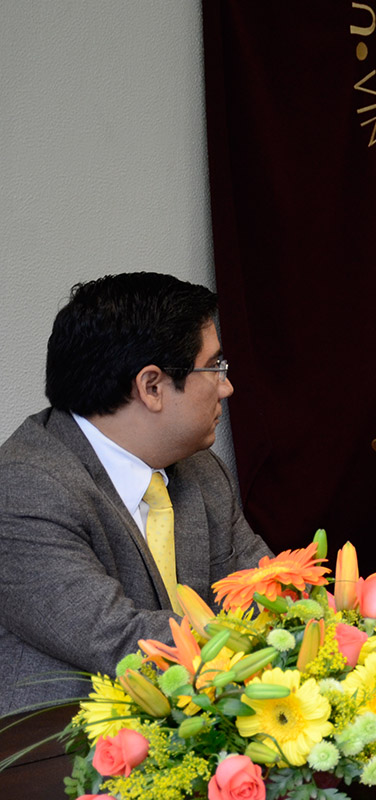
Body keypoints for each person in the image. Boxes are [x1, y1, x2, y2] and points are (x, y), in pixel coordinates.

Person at [0, 273, 272, 712]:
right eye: (215, 367)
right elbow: (121, 641)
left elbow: (264, 589)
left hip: (197, 726)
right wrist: (275, 639)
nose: (227, 386)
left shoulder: (201, 470)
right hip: (62, 753)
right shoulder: (24, 488)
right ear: (151, 387)